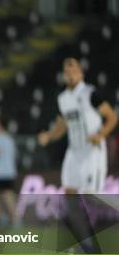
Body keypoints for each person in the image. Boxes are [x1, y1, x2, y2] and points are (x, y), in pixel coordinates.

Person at [38, 58, 117, 194]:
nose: (70, 74)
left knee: (91, 196)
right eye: (67, 72)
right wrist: (49, 136)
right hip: (74, 151)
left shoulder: (90, 94)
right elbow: (61, 126)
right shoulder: (63, 99)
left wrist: (101, 135)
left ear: (81, 74)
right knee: (69, 191)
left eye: (74, 70)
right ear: (63, 76)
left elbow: (112, 117)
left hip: (92, 150)